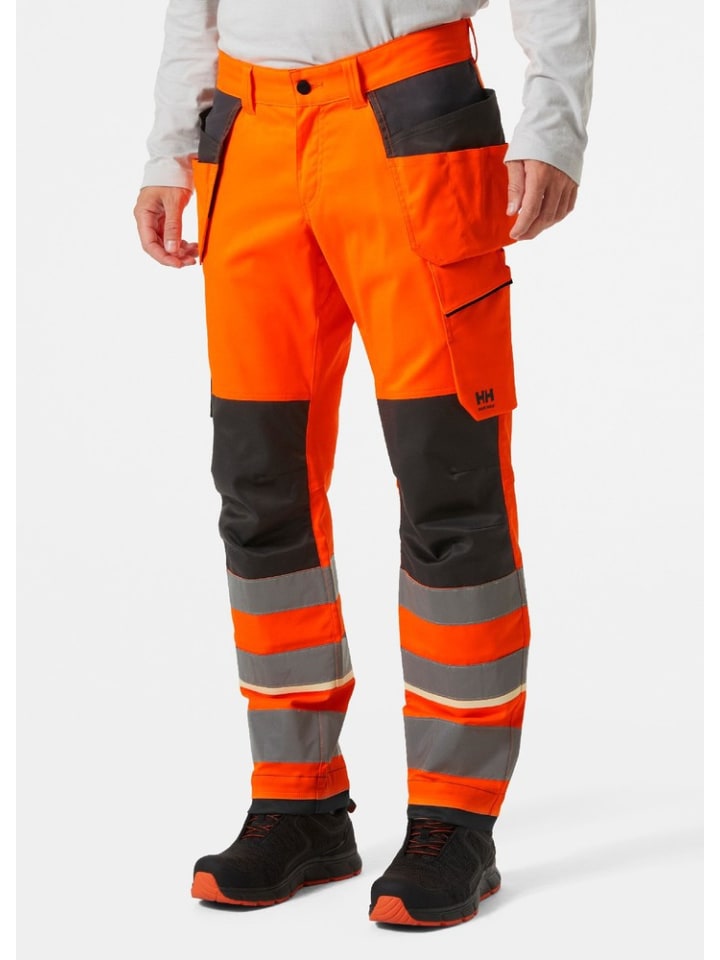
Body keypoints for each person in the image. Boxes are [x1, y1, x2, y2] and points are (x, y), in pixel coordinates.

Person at [133, 0, 595, 928]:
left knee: (448, 482)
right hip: (245, 135)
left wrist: (555, 125)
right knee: (258, 486)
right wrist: (168, 147)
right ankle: (297, 799)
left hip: (412, 116)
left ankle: (455, 818)